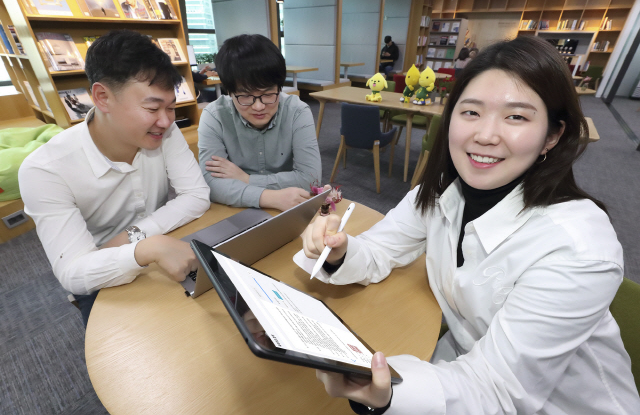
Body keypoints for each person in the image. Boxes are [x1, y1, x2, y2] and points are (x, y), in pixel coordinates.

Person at [301, 36, 640, 413]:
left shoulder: (577, 248)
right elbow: (382, 248)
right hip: (465, 368)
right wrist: (339, 251)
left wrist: (391, 392)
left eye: (516, 116)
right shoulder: (441, 192)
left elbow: (499, 388)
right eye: (471, 112)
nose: (485, 135)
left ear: (553, 135)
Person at [18, 30, 210, 327]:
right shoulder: (44, 170)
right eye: (152, 107)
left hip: (164, 247)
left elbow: (196, 196)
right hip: (101, 270)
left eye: (171, 107)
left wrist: (134, 237)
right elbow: (73, 272)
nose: (166, 120)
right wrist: (146, 248)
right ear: (102, 97)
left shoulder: (164, 129)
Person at [197, 34, 321, 211]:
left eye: (268, 94)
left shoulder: (297, 112)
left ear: (279, 87)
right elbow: (210, 183)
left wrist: (246, 179)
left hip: (289, 208)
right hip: (238, 209)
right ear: (229, 92)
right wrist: (270, 197)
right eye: (245, 96)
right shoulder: (214, 116)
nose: (259, 106)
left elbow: (310, 179)